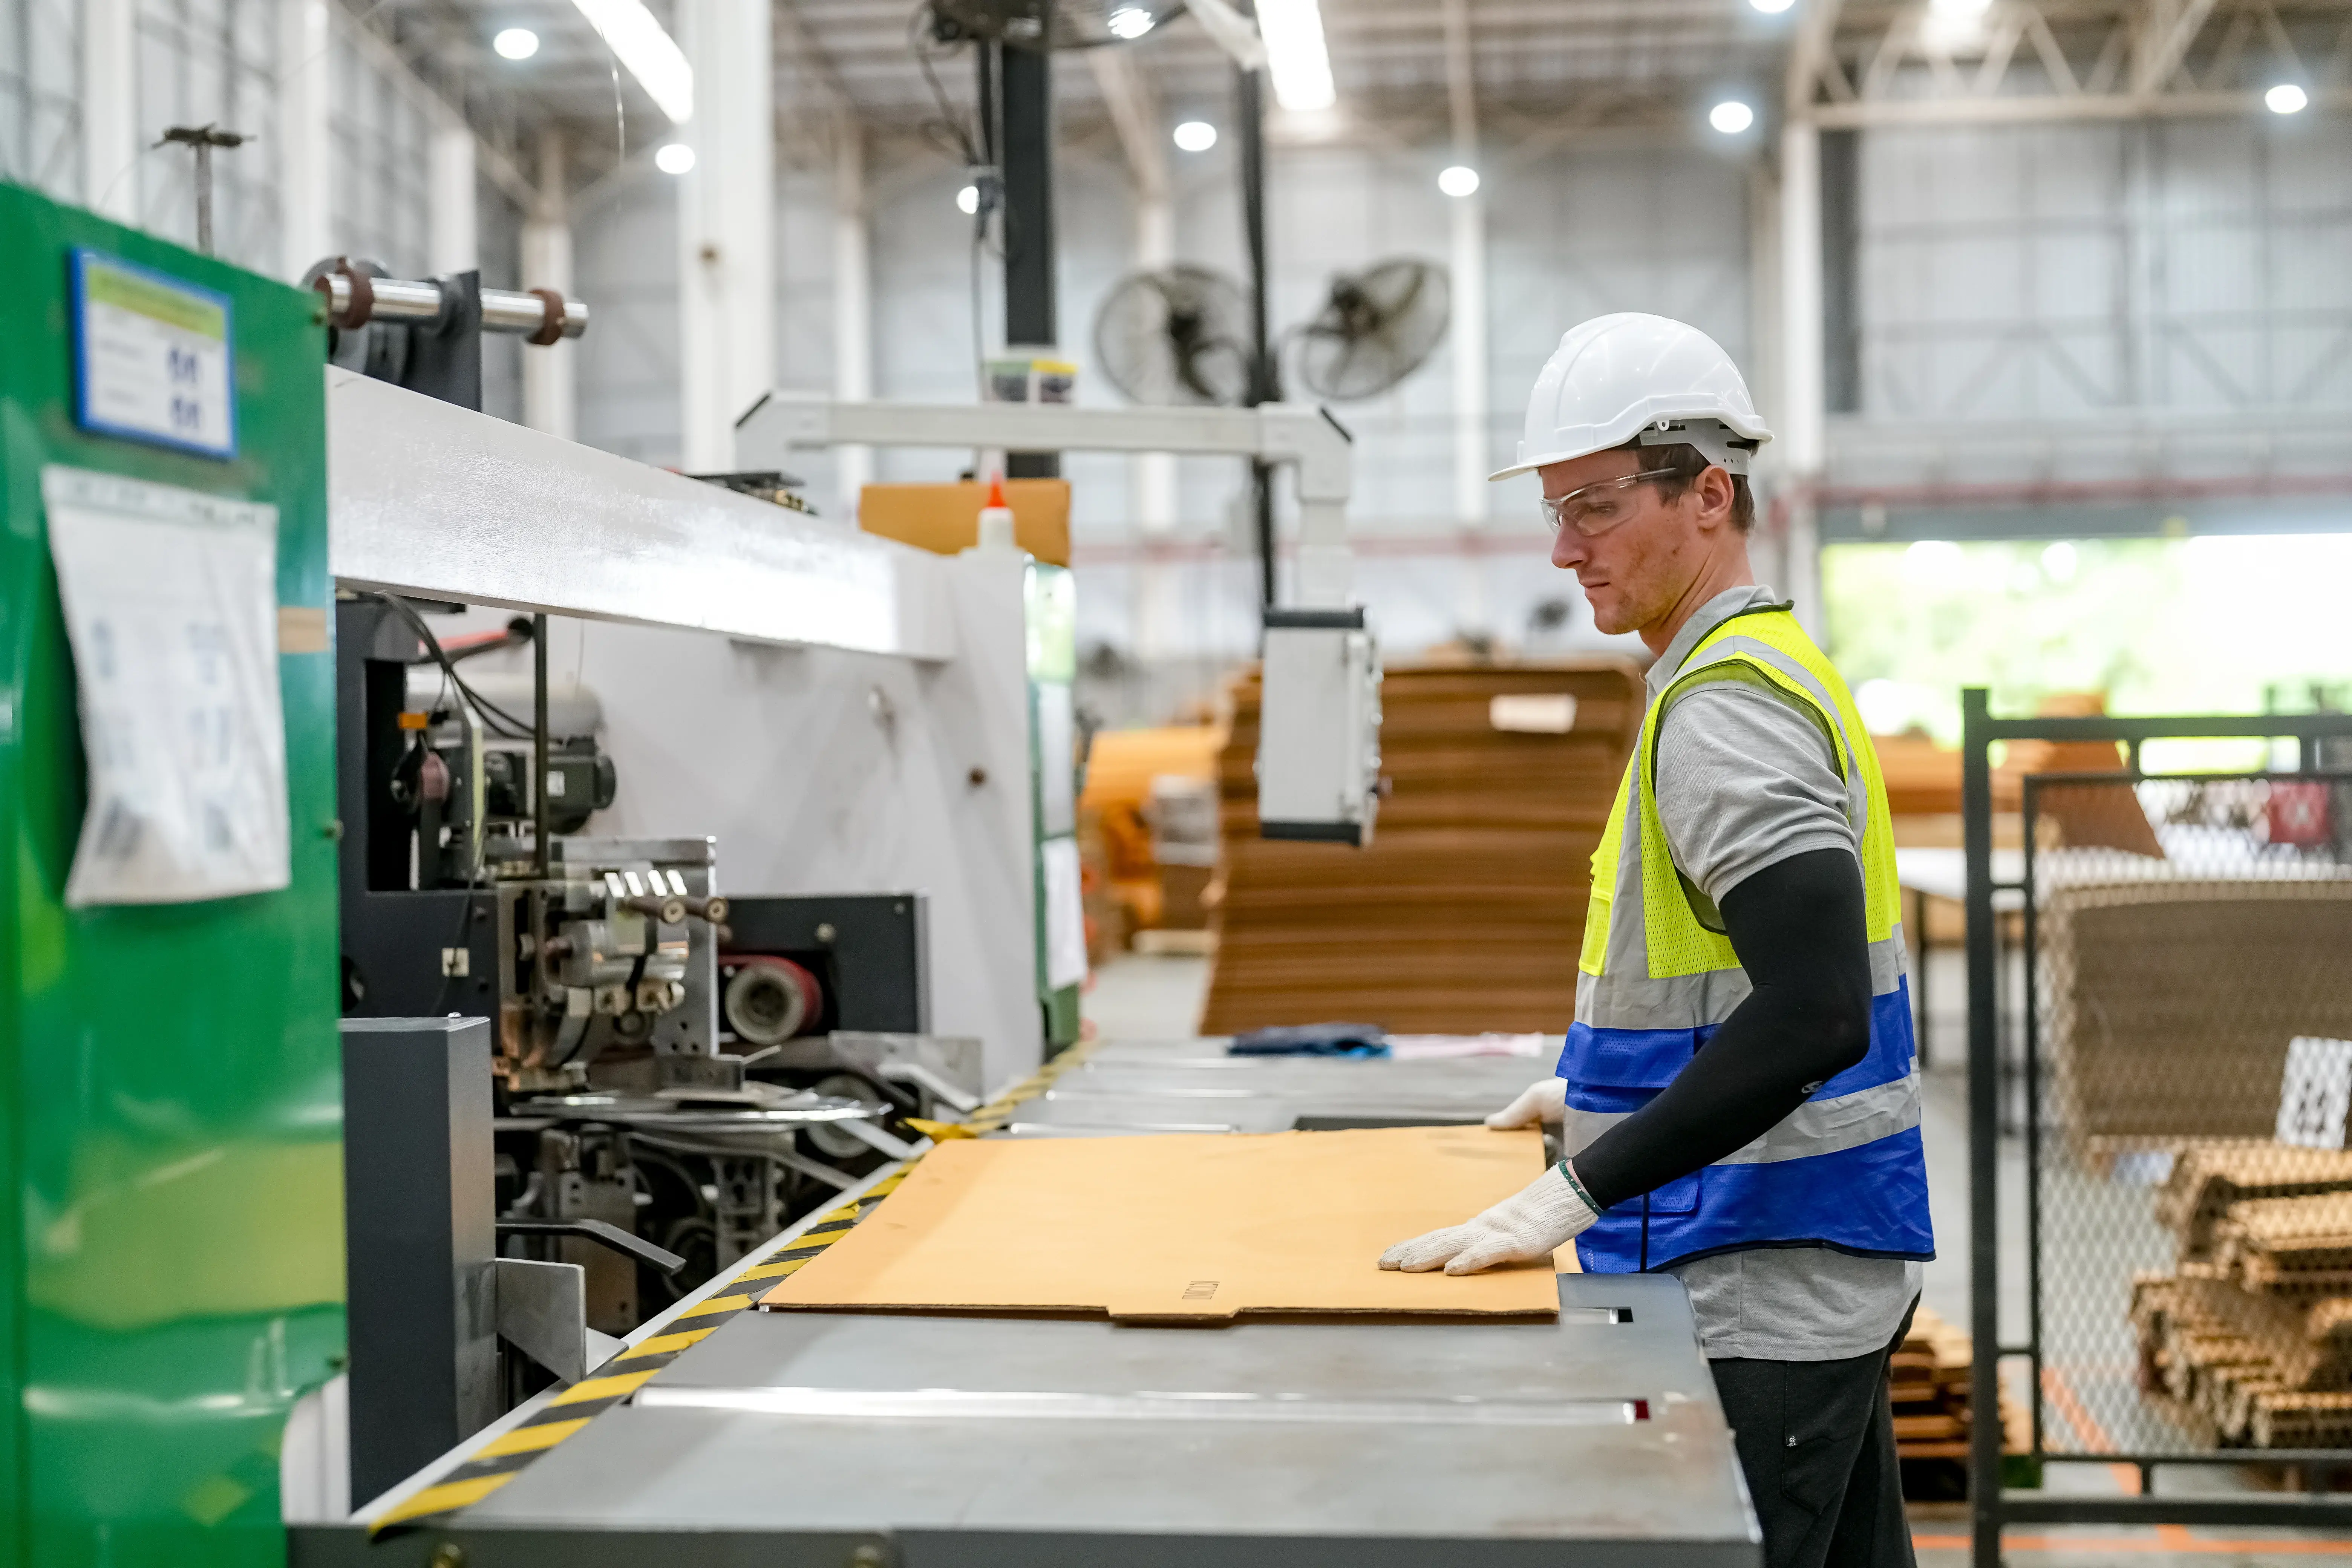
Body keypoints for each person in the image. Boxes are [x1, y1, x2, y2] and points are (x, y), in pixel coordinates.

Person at [1378, 313, 1933, 1568]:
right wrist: (1599, 1090)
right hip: (1802, 1256)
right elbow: (1738, 984)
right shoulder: (1753, 668)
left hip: (1757, 1276)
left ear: (1710, 495)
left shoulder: (1728, 709)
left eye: (1597, 507)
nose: (1564, 548)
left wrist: (1571, 1193)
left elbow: (1813, 1016)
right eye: (1557, 510)